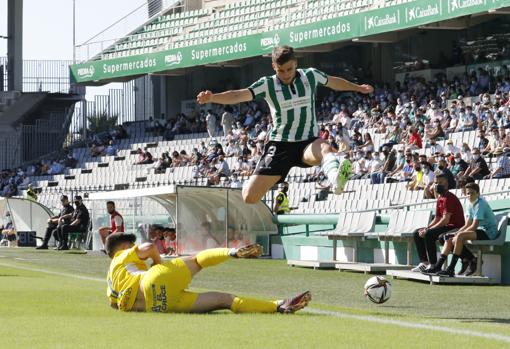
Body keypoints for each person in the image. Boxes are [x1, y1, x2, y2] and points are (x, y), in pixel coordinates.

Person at [197, 45, 373, 203]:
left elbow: (334, 82)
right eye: (281, 70)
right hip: (280, 145)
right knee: (249, 197)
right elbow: (238, 95)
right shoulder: (267, 84)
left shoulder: (311, 75)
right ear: (274, 67)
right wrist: (213, 97)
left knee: (325, 147)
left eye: (289, 69)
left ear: (296, 63)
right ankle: (278, 184)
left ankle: (336, 180)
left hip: (307, 143)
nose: (286, 74)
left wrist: (358, 88)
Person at [105, 233, 311, 313]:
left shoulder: (111, 282)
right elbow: (149, 247)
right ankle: (233, 252)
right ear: (123, 247)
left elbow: (116, 305)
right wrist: (158, 264)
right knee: (197, 260)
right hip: (154, 278)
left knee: (225, 300)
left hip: (159, 305)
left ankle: (279, 307)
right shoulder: (122, 255)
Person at [427, 183, 498, 277]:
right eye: (468, 193)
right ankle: (438, 266)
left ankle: (451, 269)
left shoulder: (481, 204)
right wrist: (455, 233)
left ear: (478, 193)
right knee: (449, 237)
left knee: (459, 236)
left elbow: (473, 226)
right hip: (479, 231)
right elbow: (467, 224)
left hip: (488, 233)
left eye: (472, 193)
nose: (469, 196)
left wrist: (458, 233)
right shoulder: (470, 204)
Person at [411, 174, 466, 273]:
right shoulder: (440, 198)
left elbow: (445, 220)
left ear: (447, 183)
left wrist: (428, 230)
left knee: (429, 234)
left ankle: (433, 265)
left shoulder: (449, 197)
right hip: (446, 226)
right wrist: (427, 228)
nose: (437, 185)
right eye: (436, 183)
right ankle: (424, 263)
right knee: (417, 233)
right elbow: (437, 218)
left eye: (440, 182)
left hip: (455, 227)